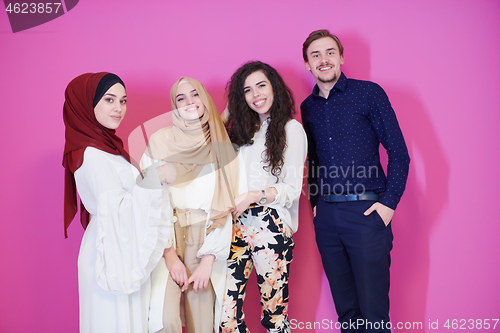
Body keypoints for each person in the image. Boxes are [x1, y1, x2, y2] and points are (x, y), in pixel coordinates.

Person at [300, 30, 411, 332]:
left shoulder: (368, 93)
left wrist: (388, 205)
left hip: (366, 214)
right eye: (316, 55)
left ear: (341, 57)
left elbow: (399, 154)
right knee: (347, 314)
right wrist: (313, 203)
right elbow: (314, 161)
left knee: (373, 315)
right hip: (327, 218)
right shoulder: (307, 107)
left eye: (330, 52)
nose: (324, 60)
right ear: (308, 65)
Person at [62, 72, 173, 332]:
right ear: (87, 105)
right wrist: (156, 178)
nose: (119, 108)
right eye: (109, 100)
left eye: (123, 101)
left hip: (123, 247)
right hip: (110, 252)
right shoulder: (90, 154)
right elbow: (117, 208)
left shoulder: (108, 148)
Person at [140, 77, 245, 333]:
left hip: (207, 239)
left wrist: (208, 260)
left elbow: (226, 206)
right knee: (164, 321)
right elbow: (150, 201)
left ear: (205, 99)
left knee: (202, 323)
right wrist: (169, 256)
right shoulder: (160, 141)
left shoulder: (222, 146)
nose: (189, 102)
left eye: (195, 94)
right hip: (167, 237)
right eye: (180, 98)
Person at [219, 61, 307, 333]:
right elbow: (206, 145)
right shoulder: (241, 132)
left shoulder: (291, 129)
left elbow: (292, 189)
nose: (256, 94)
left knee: (274, 315)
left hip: (270, 225)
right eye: (246, 90)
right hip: (233, 225)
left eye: (261, 85)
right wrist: (228, 112)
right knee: (225, 316)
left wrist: (253, 196)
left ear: (274, 87)